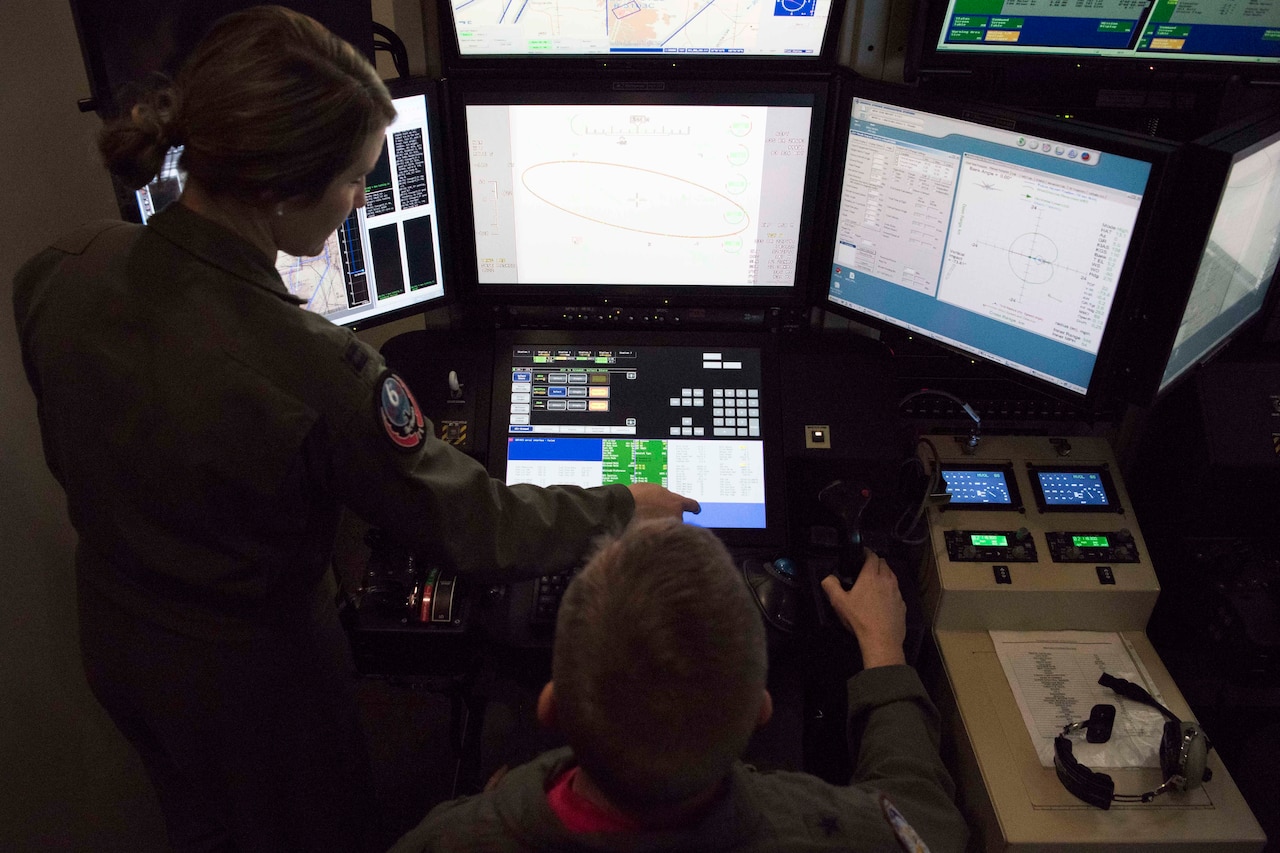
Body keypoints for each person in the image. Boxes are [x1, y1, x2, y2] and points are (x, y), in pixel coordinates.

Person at [12, 7, 696, 853]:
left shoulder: (64, 265)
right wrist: (622, 508)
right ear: (281, 192)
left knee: (199, 816)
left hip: (117, 637)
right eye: (354, 181)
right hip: (258, 681)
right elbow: (476, 525)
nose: (359, 201)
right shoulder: (317, 371)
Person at [389, 519, 968, 852]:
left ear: (551, 706)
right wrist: (884, 649)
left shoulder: (449, 837)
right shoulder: (825, 829)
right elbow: (928, 822)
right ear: (760, 711)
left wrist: (508, 795)